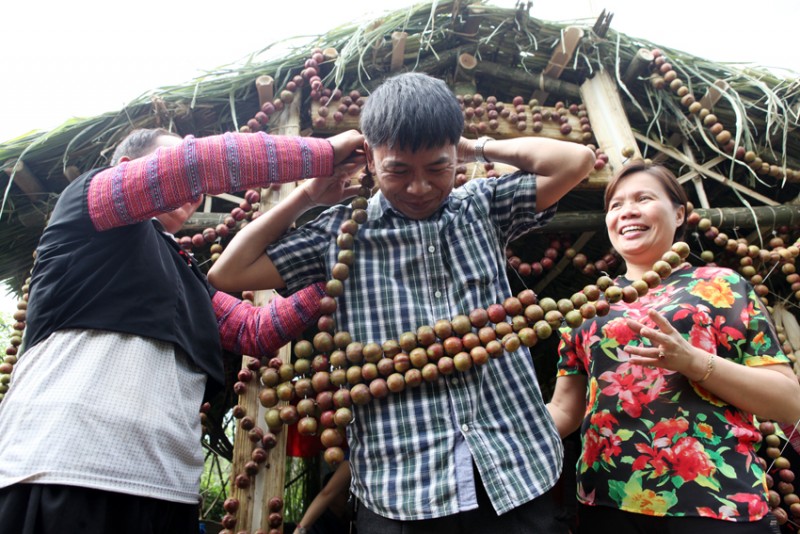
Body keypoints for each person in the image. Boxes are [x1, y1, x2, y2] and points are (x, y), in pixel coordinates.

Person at [208, 72, 596, 533]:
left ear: (456, 153)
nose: (419, 187)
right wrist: (308, 197)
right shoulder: (340, 233)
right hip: (400, 486)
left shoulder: (482, 207)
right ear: (369, 159)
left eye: (436, 168)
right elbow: (228, 273)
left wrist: (477, 147)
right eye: (398, 170)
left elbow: (576, 160)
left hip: (513, 470)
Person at [0, 127, 364, 534]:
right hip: (66, 469)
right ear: (126, 169)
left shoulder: (185, 271)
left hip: (167, 488)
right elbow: (194, 166)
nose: (195, 191)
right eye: (172, 161)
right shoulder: (88, 207)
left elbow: (254, 329)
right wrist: (324, 154)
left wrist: (345, 263)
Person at [547, 162, 800, 534]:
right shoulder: (586, 308)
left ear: (679, 213)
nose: (627, 211)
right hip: (608, 502)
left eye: (643, 198)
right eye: (615, 205)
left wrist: (694, 362)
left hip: (718, 500)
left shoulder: (721, 285)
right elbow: (565, 409)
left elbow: (788, 401)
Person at [295, 461, 353, 534]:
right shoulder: (317, 519)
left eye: (348, 491)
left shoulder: (348, 521)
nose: (346, 495)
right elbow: (302, 530)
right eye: (342, 492)